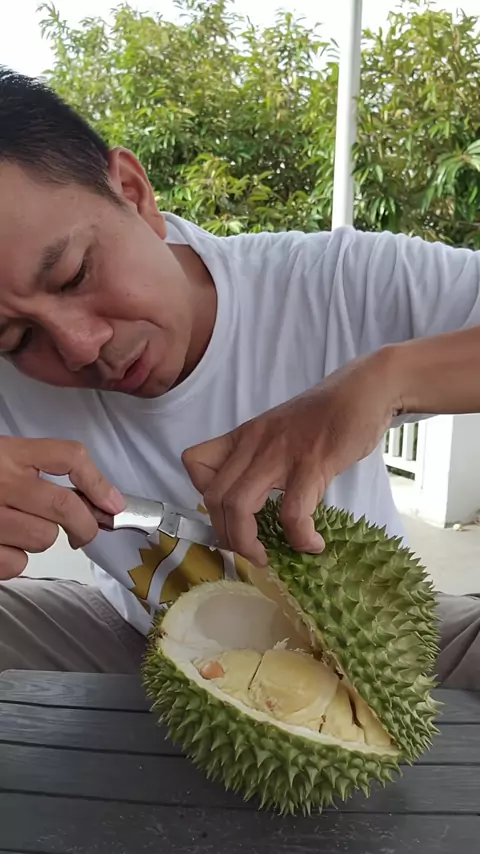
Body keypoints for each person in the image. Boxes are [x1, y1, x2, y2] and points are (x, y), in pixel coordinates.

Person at [0, 67, 479, 687]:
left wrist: (389, 378)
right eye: (16, 337)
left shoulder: (334, 284)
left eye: (74, 275)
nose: (78, 345)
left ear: (134, 192)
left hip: (378, 650)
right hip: (147, 647)